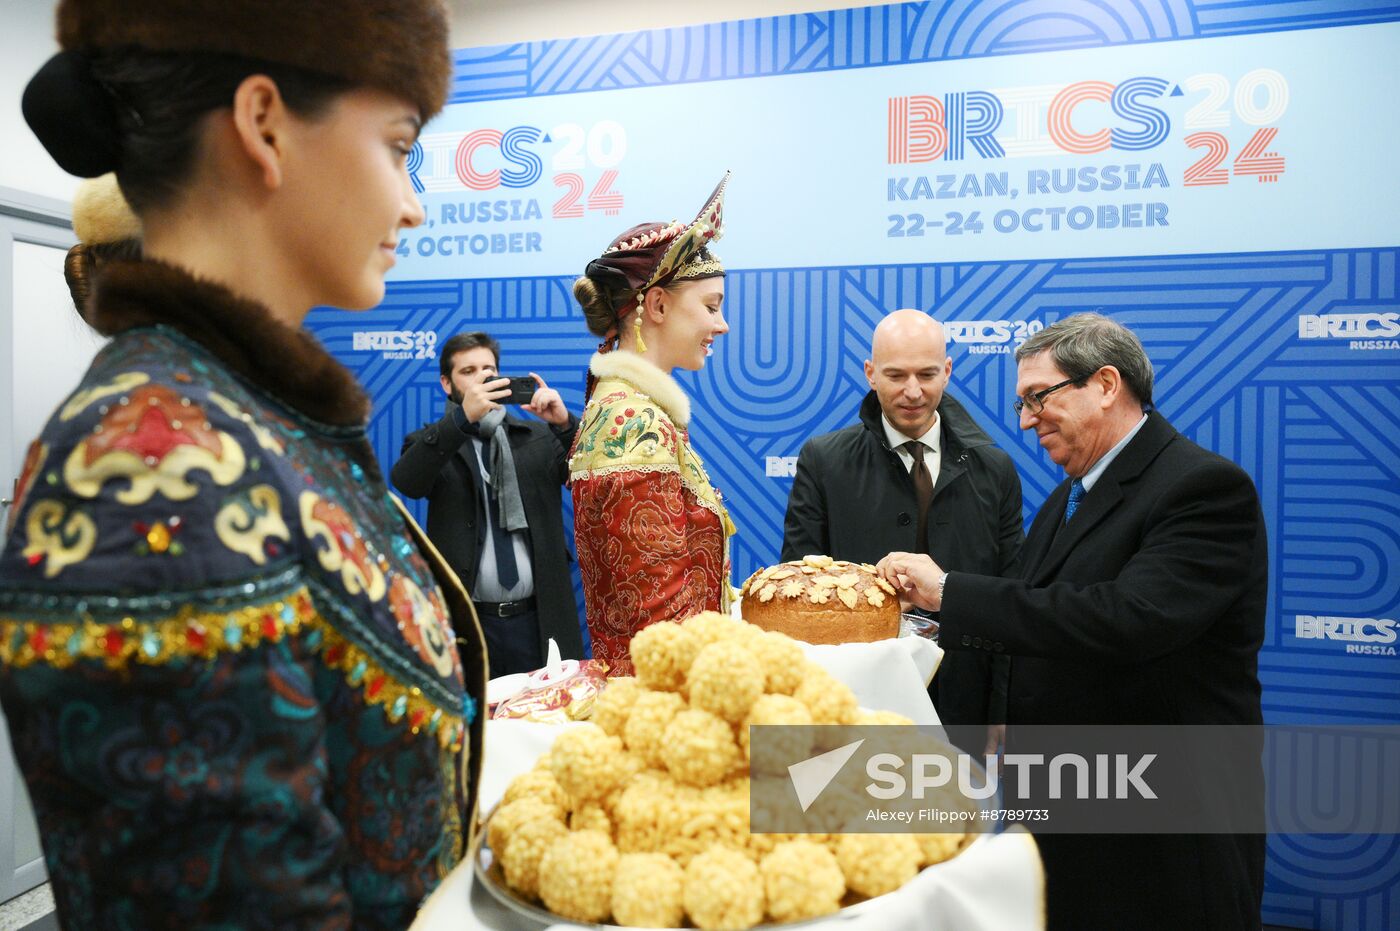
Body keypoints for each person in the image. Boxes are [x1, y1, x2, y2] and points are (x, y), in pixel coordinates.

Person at [0, 2, 486, 928]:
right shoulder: (151, 465)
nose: (412, 204)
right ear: (264, 125)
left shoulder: (252, 419)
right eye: (397, 147)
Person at [877, 313, 1266, 931]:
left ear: (1105, 385)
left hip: (1160, 834)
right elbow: (1036, 611)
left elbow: (1128, 619)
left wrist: (950, 590)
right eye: (1023, 402)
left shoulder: (1203, 488)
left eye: (1039, 397)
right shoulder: (1070, 495)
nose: (1026, 420)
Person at [782, 309, 1022, 754]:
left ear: (947, 371)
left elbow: (1011, 600)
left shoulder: (996, 469)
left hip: (964, 703)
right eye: (896, 375)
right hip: (852, 702)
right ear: (870, 373)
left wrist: (1003, 706)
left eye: (927, 374)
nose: (913, 391)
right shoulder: (824, 461)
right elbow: (797, 594)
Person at [568, 174, 736, 675]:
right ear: (658, 305)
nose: (721, 324)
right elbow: (660, 628)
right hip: (661, 701)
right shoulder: (631, 419)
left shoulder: (635, 409)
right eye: (711, 306)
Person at [391, 332, 583, 675]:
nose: (482, 378)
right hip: (468, 625)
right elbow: (408, 481)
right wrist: (461, 419)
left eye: (489, 370)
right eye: (468, 371)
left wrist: (565, 425)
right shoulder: (431, 443)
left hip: (539, 621)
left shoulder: (537, 437)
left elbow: (589, 475)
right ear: (447, 384)